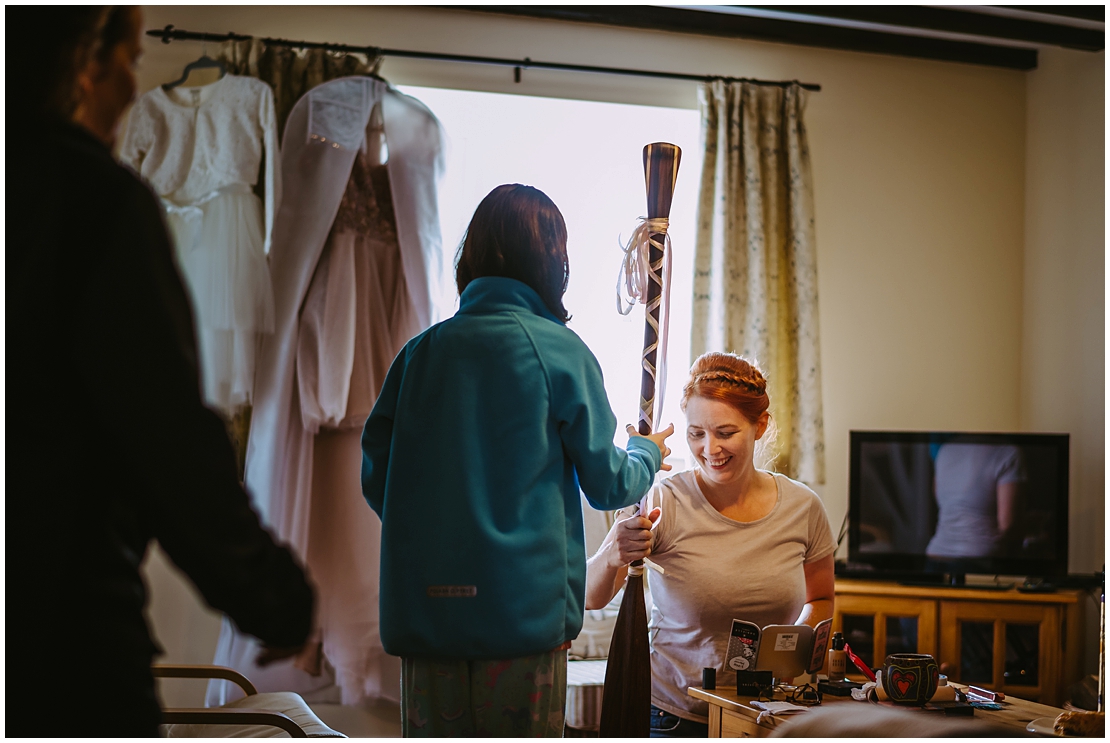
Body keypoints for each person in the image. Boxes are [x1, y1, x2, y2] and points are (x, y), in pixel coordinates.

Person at [6, 7, 315, 736]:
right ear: (86, 62)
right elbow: (165, 436)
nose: (127, 86)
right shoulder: (92, 201)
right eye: (127, 58)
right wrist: (273, 597)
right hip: (58, 627)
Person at [361, 183, 674, 737]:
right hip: (522, 618)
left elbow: (377, 477)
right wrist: (647, 453)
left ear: (472, 255)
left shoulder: (419, 354)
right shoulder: (561, 351)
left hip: (428, 615)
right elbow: (608, 484)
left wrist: (442, 536)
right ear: (555, 263)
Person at [585, 352, 836, 737]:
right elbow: (590, 596)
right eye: (696, 433)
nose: (710, 449)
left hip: (767, 717)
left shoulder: (804, 507)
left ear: (760, 426)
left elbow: (820, 599)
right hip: (675, 717)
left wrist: (792, 652)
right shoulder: (662, 502)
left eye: (725, 432)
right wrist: (611, 552)